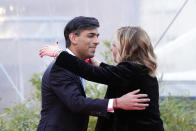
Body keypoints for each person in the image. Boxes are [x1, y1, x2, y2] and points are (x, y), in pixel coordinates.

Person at [40, 26, 164, 131]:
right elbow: (113, 73)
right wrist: (98, 64)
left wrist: (60, 54)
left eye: (115, 45)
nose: (112, 49)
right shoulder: (140, 71)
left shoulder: (129, 71)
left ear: (127, 48)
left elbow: (92, 73)